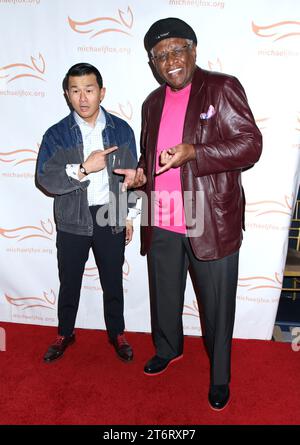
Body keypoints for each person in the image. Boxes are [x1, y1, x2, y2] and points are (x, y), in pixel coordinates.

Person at [114, 18, 262, 410]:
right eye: (160, 56)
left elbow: (250, 145)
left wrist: (196, 151)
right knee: (164, 295)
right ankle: (167, 348)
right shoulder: (151, 103)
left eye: (177, 50)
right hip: (161, 216)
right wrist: (139, 177)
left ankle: (219, 376)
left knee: (216, 305)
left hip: (208, 218)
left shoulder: (221, 87)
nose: (170, 60)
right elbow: (154, 160)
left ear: (194, 50)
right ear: (152, 63)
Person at [36, 63, 138, 364]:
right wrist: (82, 169)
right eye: (76, 90)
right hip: (72, 217)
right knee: (69, 281)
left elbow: (130, 177)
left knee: (112, 280)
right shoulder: (56, 135)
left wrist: (129, 215)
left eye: (89, 90)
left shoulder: (121, 130)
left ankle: (117, 332)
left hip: (110, 215)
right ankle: (65, 333)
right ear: (67, 94)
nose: (83, 98)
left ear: (101, 92)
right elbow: (45, 177)